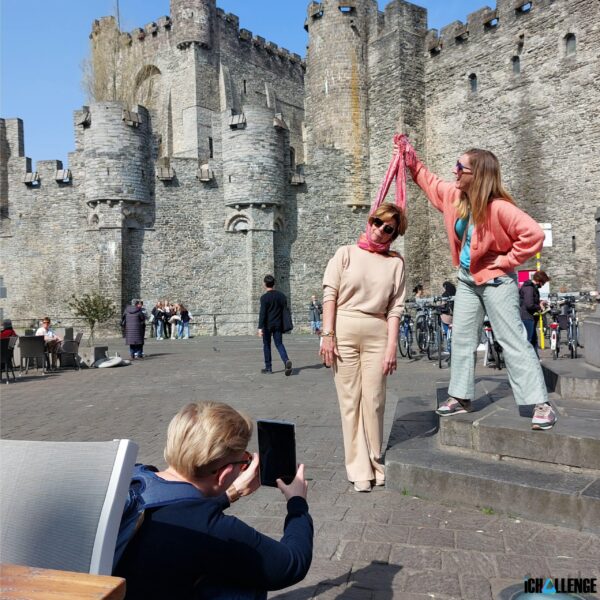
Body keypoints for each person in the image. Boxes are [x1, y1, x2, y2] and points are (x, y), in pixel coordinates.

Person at [399, 136, 557, 430]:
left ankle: (540, 404)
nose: (455, 170)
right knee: (462, 338)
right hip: (467, 280)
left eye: (461, 167)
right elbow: (430, 183)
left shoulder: (499, 208)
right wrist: (412, 162)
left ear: (479, 175)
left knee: (511, 340)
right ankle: (460, 397)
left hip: (497, 281)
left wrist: (506, 261)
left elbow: (533, 234)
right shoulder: (455, 197)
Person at [114, 401, 313, 600]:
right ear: (224, 473)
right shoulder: (211, 528)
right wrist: (297, 503)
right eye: (244, 461)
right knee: (245, 587)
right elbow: (291, 564)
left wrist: (231, 492)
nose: (244, 466)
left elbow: (178, 510)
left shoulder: (132, 478)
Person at [320, 203, 407, 492]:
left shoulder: (395, 263)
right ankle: (359, 469)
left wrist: (392, 346)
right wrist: (327, 335)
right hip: (343, 327)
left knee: (374, 400)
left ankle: (375, 461)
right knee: (350, 401)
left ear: (394, 234)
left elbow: (396, 308)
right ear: (370, 221)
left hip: (377, 332)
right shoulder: (345, 253)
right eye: (376, 222)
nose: (380, 230)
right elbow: (330, 294)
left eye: (388, 228)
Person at [258, 275, 293, 376]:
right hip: (278, 324)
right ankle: (286, 360)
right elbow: (284, 310)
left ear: (265, 284)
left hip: (267, 325)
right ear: (274, 284)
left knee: (267, 345)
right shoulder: (281, 296)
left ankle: (268, 368)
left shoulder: (264, 298)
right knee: (279, 344)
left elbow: (263, 313)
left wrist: (260, 328)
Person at [520, 270, 550, 356]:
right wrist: (540, 307)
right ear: (540, 281)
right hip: (527, 317)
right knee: (529, 341)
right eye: (543, 283)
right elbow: (529, 305)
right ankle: (528, 361)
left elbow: (530, 301)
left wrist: (540, 302)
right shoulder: (529, 288)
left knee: (533, 340)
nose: (543, 285)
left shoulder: (531, 287)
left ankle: (535, 360)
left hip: (529, 317)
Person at [440, 281, 457, 353]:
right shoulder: (456, 293)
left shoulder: (445, 294)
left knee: (447, 333)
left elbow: (442, 305)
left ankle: (449, 348)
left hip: (446, 316)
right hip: (454, 316)